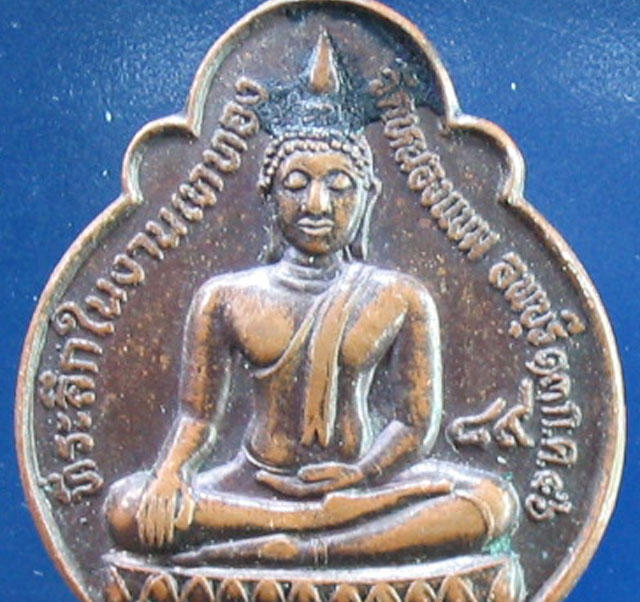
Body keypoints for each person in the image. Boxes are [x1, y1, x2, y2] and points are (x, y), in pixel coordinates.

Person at [106, 35, 518, 565]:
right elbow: (197, 417)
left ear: (367, 196)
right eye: (296, 183)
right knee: (127, 507)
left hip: (360, 483)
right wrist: (169, 474)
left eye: (340, 185)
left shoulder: (400, 296)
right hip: (253, 485)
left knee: (492, 502)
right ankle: (305, 530)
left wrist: (362, 473)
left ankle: (304, 546)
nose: (317, 204)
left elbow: (416, 424)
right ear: (268, 194)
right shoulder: (225, 297)